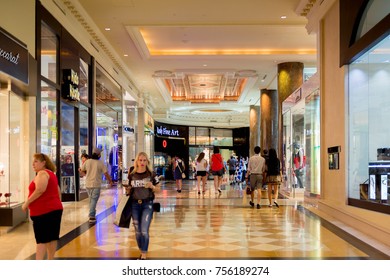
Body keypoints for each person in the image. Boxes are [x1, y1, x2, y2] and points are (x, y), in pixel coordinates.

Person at [22, 153, 63, 260]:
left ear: (43, 163)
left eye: (36, 161)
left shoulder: (42, 174)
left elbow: (40, 189)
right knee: (51, 237)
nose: (33, 164)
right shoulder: (51, 174)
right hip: (54, 210)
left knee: (42, 240)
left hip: (44, 212)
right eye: (33, 162)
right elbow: (58, 192)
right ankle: (50, 259)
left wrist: (27, 203)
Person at [126, 152, 161, 260]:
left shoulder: (152, 174)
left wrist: (152, 187)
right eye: (140, 160)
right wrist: (127, 189)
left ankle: (144, 255)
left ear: (147, 161)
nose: (142, 162)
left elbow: (159, 189)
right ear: (137, 161)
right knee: (137, 230)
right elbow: (128, 190)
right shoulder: (131, 174)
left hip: (147, 204)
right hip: (134, 204)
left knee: (144, 230)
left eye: (144, 160)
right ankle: (142, 250)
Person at [80, 147, 113, 224]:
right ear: (98, 154)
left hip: (88, 184)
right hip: (96, 184)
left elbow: (82, 170)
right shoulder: (100, 163)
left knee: (91, 200)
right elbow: (106, 173)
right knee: (93, 200)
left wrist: (86, 174)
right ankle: (91, 216)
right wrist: (110, 181)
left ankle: (92, 212)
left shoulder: (87, 162)